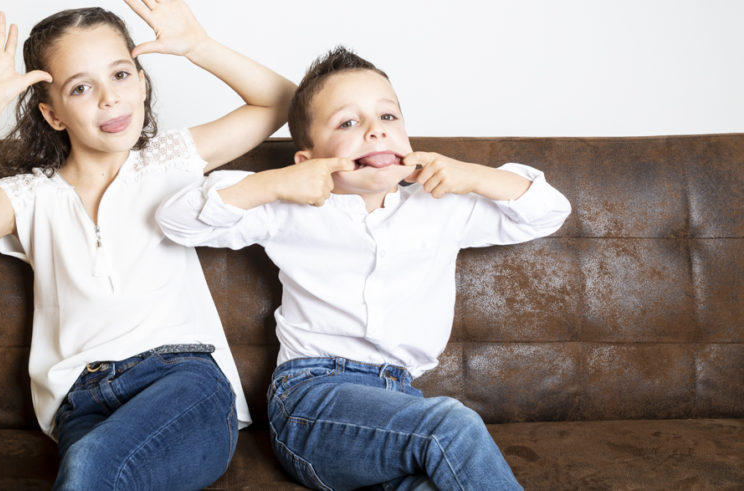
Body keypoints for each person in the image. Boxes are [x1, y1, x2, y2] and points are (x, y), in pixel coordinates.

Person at [0, 0, 296, 490]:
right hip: (82, 399)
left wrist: (198, 46)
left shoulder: (168, 161)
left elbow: (285, 103)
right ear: (53, 114)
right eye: (82, 88)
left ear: (142, 81)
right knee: (92, 460)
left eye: (121, 75)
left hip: (184, 379)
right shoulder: (30, 196)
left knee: (95, 467)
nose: (110, 100)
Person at [155, 46, 571, 490]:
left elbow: (549, 211)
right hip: (312, 400)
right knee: (452, 425)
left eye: (388, 117)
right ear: (308, 159)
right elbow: (176, 220)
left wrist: (472, 176)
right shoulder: (290, 207)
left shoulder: (442, 207)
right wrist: (276, 183)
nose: (376, 132)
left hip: (397, 404)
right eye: (348, 123)